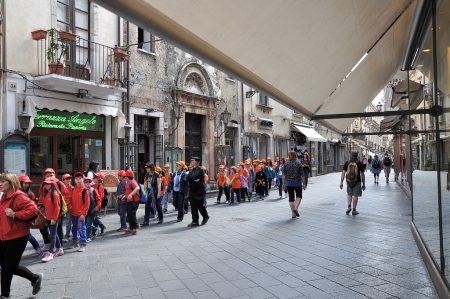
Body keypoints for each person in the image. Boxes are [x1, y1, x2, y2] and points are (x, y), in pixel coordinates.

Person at [0, 172, 43, 297]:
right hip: (4, 235)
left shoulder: (18, 196)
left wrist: (15, 214)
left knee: (8, 267)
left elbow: (33, 210)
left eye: (3, 181)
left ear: (11, 182)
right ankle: (35, 278)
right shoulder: (4, 197)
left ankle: (5, 295)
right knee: (7, 266)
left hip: (17, 236)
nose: (0, 184)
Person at [18, 175, 43, 257]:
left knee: (27, 235)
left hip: (26, 217)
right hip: (17, 217)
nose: (26, 185)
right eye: (25, 183)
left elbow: (33, 206)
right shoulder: (16, 192)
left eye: (28, 183)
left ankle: (37, 247)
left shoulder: (30, 194)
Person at [39, 177, 63, 262]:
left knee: (52, 235)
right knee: (54, 234)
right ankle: (59, 249)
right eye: (45, 183)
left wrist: (54, 218)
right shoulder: (47, 193)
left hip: (53, 218)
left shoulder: (55, 194)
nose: (46, 185)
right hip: (48, 218)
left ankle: (51, 252)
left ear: (52, 185)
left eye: (48, 184)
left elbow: (57, 208)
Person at [66, 172, 90, 252]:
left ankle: (83, 244)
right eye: (76, 179)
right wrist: (69, 206)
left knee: (81, 229)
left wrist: (84, 214)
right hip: (73, 213)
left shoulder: (85, 191)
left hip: (81, 215)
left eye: (80, 178)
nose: (78, 180)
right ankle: (75, 242)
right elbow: (69, 200)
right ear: (74, 180)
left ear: (83, 179)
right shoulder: (73, 189)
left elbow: (87, 204)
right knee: (74, 228)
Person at [340, 151, 366, 215]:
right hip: (357, 181)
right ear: (357, 155)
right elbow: (362, 174)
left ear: (351, 155)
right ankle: (354, 210)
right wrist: (363, 184)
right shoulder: (359, 163)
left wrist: (341, 182)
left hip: (348, 181)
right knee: (355, 195)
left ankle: (349, 206)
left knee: (349, 194)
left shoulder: (347, 162)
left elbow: (343, 173)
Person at [186, 157, 209, 227]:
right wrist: (191, 177)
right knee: (193, 207)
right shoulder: (191, 169)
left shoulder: (200, 170)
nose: (190, 162)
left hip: (199, 192)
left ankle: (205, 217)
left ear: (196, 162)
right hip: (192, 191)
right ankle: (195, 221)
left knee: (200, 206)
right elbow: (187, 178)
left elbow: (193, 177)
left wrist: (191, 177)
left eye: (192, 161)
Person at [282, 151, 306, 218]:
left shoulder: (286, 164)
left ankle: (293, 214)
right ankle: (295, 208)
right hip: (297, 183)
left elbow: (283, 175)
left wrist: (283, 184)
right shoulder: (299, 163)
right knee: (299, 196)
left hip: (289, 183)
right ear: (295, 155)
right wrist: (304, 184)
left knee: (291, 198)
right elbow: (302, 175)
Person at [83, 177, 100, 242]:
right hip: (84, 210)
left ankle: (88, 237)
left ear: (91, 183)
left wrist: (97, 207)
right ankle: (95, 229)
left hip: (92, 210)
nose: (87, 184)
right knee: (86, 224)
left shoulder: (93, 190)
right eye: (86, 182)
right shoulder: (82, 190)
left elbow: (98, 200)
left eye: (89, 182)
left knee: (88, 224)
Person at [124, 170, 140, 235]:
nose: (125, 177)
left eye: (125, 176)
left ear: (127, 176)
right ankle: (131, 228)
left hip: (134, 201)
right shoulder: (128, 182)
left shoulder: (133, 182)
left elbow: (137, 188)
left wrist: (131, 195)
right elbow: (128, 190)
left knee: (132, 214)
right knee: (129, 215)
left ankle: (135, 228)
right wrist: (125, 196)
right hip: (129, 201)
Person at [61, 173, 73, 242]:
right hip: (62, 208)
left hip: (69, 208)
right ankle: (61, 235)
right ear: (63, 180)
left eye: (69, 179)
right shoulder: (60, 188)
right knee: (60, 223)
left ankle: (67, 235)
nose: (68, 180)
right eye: (66, 179)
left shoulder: (72, 188)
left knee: (68, 222)